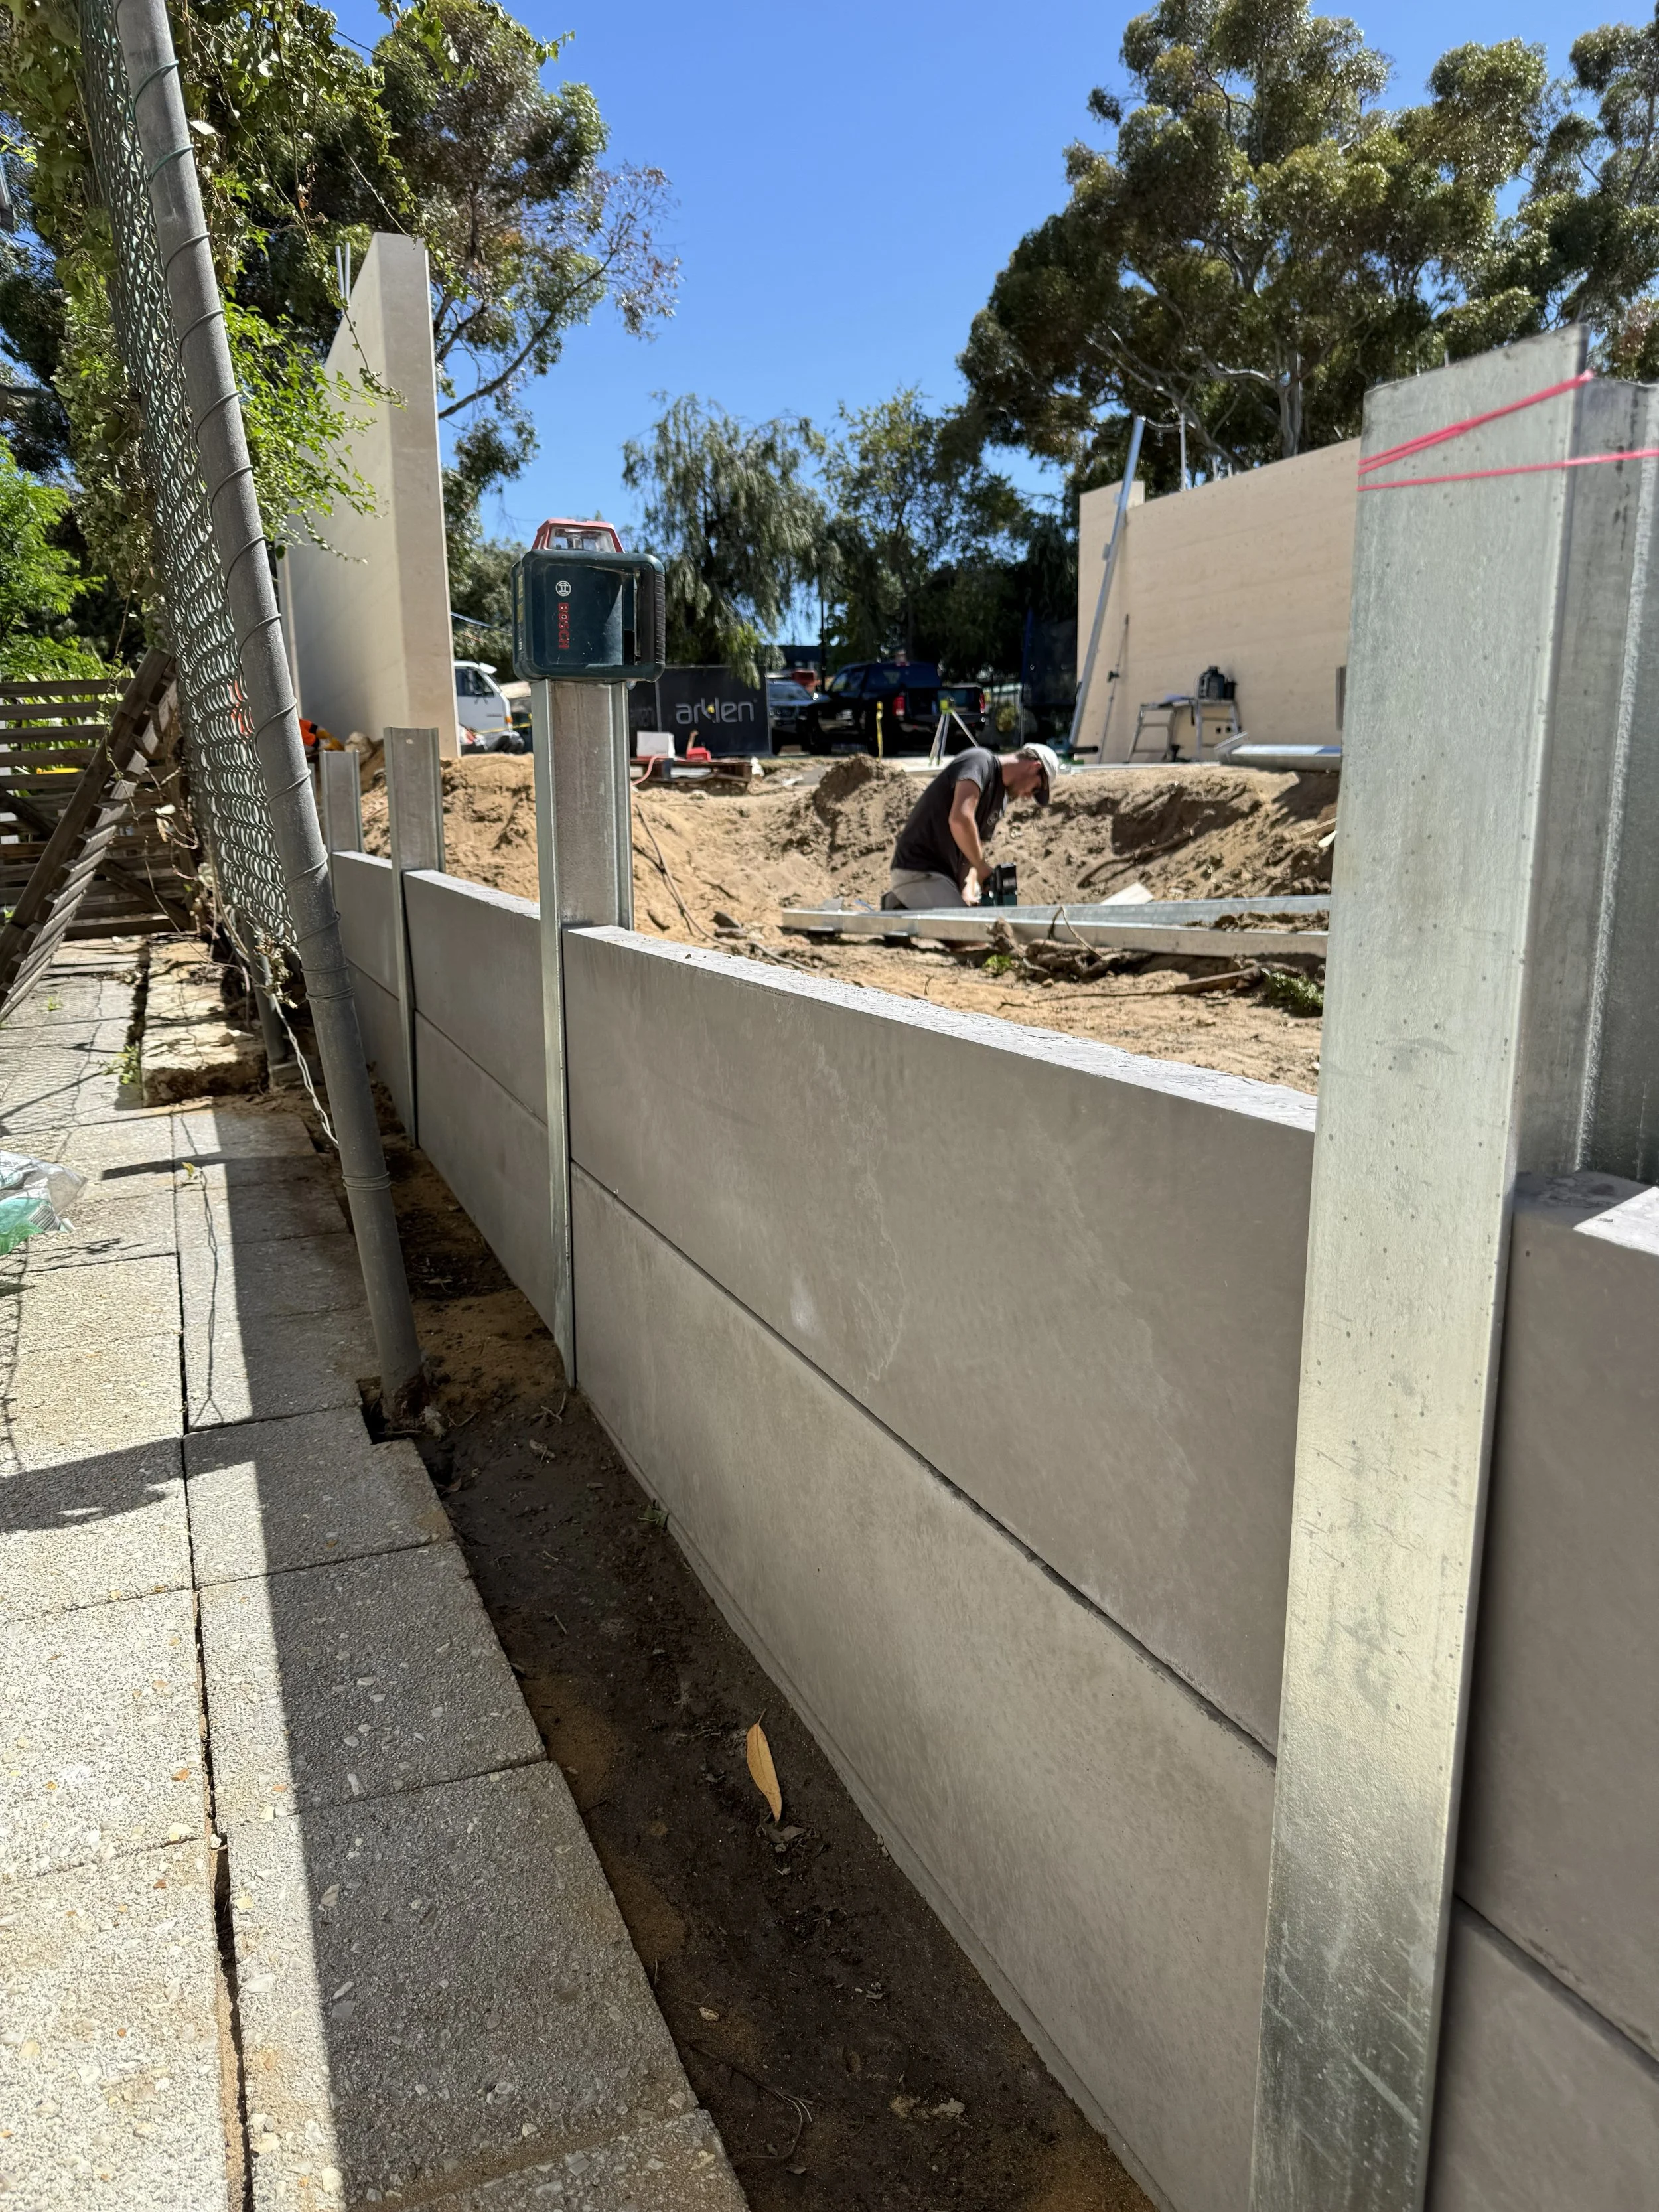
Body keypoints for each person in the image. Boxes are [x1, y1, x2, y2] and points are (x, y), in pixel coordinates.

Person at [881, 743, 1060, 909]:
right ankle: (899, 902)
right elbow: (960, 819)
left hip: (944, 879)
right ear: (1034, 767)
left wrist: (966, 893)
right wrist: (982, 867)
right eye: (1036, 789)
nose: (1029, 796)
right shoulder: (980, 761)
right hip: (919, 869)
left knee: (975, 926)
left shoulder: (1001, 801)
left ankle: (907, 903)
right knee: (967, 937)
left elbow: (972, 854)